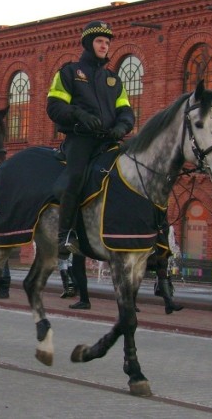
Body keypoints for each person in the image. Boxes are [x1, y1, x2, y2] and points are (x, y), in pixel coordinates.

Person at [46, 20, 135, 257]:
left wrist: (122, 126)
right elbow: (54, 106)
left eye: (107, 42)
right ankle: (64, 235)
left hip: (108, 140)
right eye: (99, 41)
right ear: (88, 43)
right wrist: (78, 114)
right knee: (75, 176)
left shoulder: (114, 80)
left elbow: (126, 111)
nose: (104, 46)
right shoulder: (69, 72)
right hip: (80, 139)